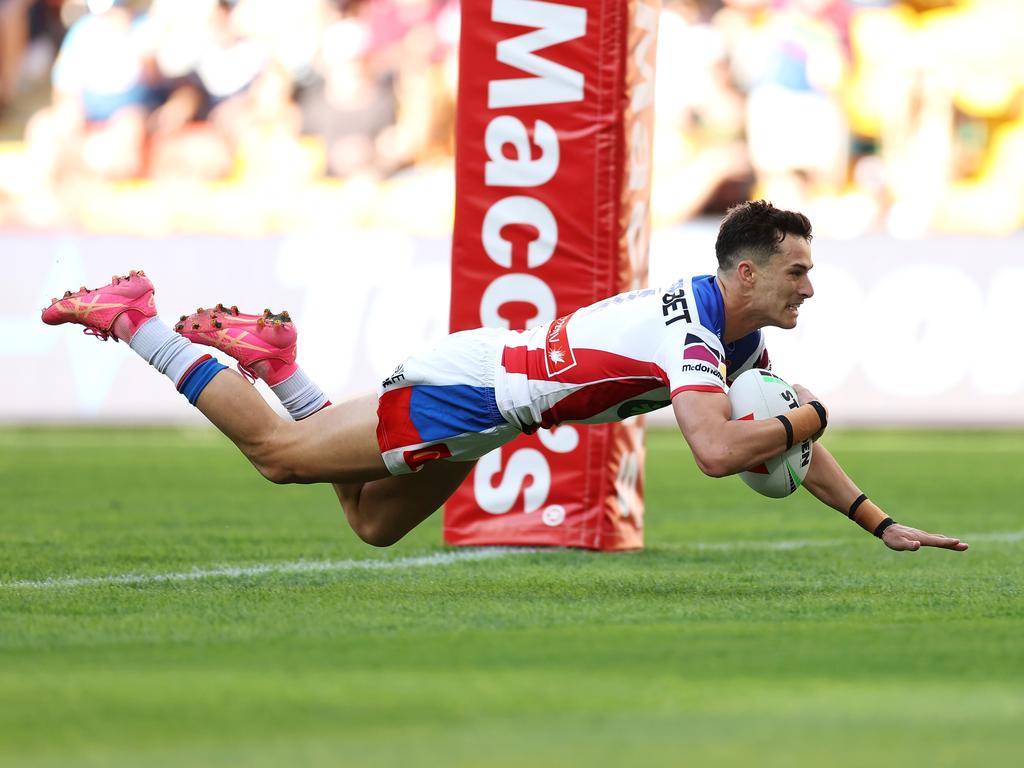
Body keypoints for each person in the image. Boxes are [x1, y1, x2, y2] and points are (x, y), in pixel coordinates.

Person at [41, 200, 967, 553]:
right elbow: (722, 452)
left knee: (372, 524)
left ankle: (283, 367)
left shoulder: (732, 339)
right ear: (748, 274)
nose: (812, 285)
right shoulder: (691, 329)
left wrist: (876, 522)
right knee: (282, 460)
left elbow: (785, 425)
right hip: (472, 390)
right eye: (798, 271)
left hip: (494, 406)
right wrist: (812, 415)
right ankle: (138, 317)